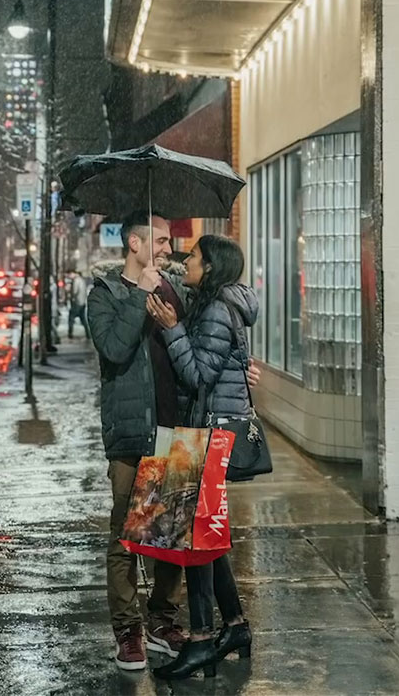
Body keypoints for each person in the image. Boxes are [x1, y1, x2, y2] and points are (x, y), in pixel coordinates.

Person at [146, 235, 257, 681]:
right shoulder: (219, 300)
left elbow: (197, 376)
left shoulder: (213, 310)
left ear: (209, 266)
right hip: (207, 434)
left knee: (195, 540)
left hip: (208, 436)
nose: (184, 261)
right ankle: (234, 627)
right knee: (206, 538)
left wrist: (173, 329)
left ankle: (200, 641)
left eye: (192, 257)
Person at [87, 212, 186, 671]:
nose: (169, 248)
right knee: (126, 536)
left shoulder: (173, 288)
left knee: (169, 534)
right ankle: (127, 632)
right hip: (130, 434)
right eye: (161, 241)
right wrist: (141, 292)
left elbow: (193, 347)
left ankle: (162, 620)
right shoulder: (104, 295)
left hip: (173, 429)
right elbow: (114, 349)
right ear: (135, 243)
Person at [67, 270, 90, 340]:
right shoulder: (82, 280)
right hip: (82, 302)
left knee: (71, 318)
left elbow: (75, 291)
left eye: (69, 275)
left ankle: (70, 333)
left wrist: (70, 293)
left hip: (77, 302)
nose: (69, 277)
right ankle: (88, 334)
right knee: (83, 319)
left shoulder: (76, 281)